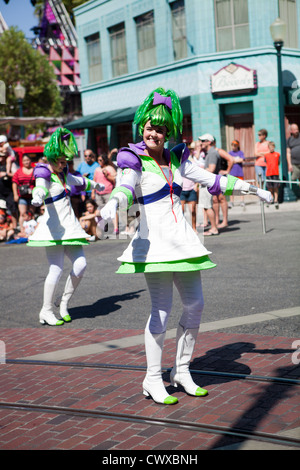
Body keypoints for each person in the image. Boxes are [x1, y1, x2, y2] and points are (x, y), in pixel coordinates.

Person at [99, 87, 273, 406]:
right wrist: (113, 204)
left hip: (184, 242)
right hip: (155, 246)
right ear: (142, 127)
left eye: (160, 128)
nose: (154, 132)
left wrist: (252, 188)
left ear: (168, 132)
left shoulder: (178, 158)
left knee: (196, 304)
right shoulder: (132, 160)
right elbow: (124, 187)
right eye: (150, 126)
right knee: (162, 311)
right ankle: (153, 378)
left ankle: (182, 370)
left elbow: (213, 180)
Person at [28, 128, 105, 326]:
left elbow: (79, 181)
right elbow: (40, 186)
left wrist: (95, 185)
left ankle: (63, 303)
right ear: (52, 157)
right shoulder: (44, 172)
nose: (64, 164)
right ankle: (46, 310)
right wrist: (37, 196)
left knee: (81, 265)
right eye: (60, 161)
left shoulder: (63, 174)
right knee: (56, 269)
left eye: (66, 161)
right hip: (53, 229)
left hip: (70, 228)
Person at [12, 154, 35, 228]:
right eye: (24, 160)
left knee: (31, 213)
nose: (26, 162)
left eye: (28, 160)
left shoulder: (35, 170)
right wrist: (15, 195)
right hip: (22, 196)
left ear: (30, 161)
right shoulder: (19, 171)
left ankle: (32, 230)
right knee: (23, 214)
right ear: (22, 162)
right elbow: (14, 183)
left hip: (32, 196)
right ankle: (22, 230)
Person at [228, 140, 245, 208]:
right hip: (232, 173)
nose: (233, 147)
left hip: (239, 173)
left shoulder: (240, 152)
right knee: (230, 188)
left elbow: (241, 159)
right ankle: (231, 202)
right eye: (232, 145)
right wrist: (234, 160)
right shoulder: (230, 153)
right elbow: (229, 160)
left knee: (241, 188)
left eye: (235, 145)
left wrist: (233, 160)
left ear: (238, 146)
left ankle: (242, 201)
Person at [265, 141, 280, 209]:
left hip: (275, 173)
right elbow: (266, 163)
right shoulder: (266, 155)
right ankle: (271, 199)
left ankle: (276, 200)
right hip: (269, 173)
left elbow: (279, 162)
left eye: (272, 147)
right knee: (270, 188)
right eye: (270, 147)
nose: (271, 148)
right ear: (268, 148)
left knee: (276, 187)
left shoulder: (277, 154)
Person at [286, 123, 300, 188]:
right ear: (291, 131)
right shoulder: (289, 140)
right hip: (294, 164)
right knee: (294, 178)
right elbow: (288, 153)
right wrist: (289, 164)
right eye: (294, 129)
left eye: (297, 129)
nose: (296, 131)